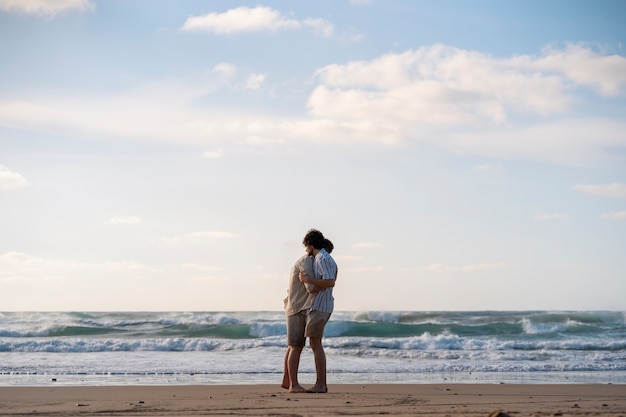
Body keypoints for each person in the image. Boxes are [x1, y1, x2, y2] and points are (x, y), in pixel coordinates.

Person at [281, 237, 335, 393]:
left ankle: (287, 381)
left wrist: (324, 282)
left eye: (306, 246)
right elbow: (311, 287)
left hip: (297, 307)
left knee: (293, 346)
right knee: (296, 347)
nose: (305, 249)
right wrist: (325, 283)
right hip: (298, 308)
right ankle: (293, 385)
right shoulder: (306, 261)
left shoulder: (310, 260)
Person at [298, 229, 337, 393]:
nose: (306, 250)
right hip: (320, 305)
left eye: (306, 246)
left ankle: (321, 384)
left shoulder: (322, 258)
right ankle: (320, 383)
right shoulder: (322, 258)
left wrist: (308, 280)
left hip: (321, 306)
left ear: (311, 244)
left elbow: (330, 282)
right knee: (315, 343)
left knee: (316, 344)